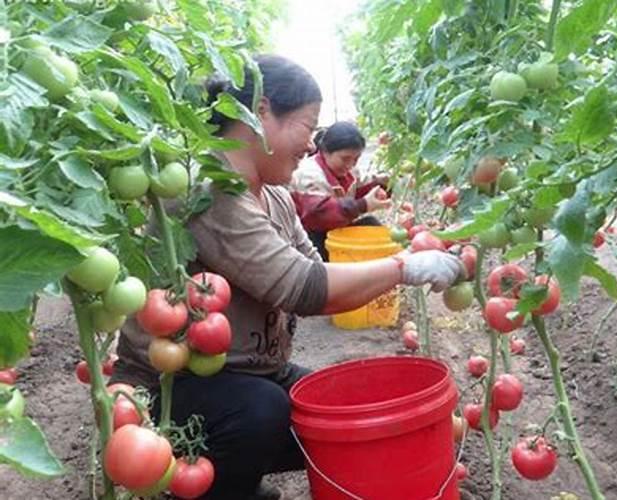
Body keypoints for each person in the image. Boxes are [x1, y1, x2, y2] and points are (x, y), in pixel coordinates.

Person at [109, 54, 464, 500]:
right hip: (170, 388)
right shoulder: (211, 192)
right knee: (263, 412)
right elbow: (302, 288)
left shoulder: (273, 196)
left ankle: (232, 476)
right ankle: (211, 487)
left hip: (250, 374)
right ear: (260, 113)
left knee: (337, 415)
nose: (312, 146)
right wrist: (404, 267)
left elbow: (313, 268)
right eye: (307, 127)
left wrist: (404, 260)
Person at [290, 121, 390, 261]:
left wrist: (385, 185)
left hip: (333, 230)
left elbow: (361, 187)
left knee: (370, 224)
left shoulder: (347, 171)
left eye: (356, 159)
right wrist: (363, 205)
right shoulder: (310, 174)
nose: (350, 165)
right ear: (325, 152)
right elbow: (319, 214)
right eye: (345, 159)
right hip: (310, 237)